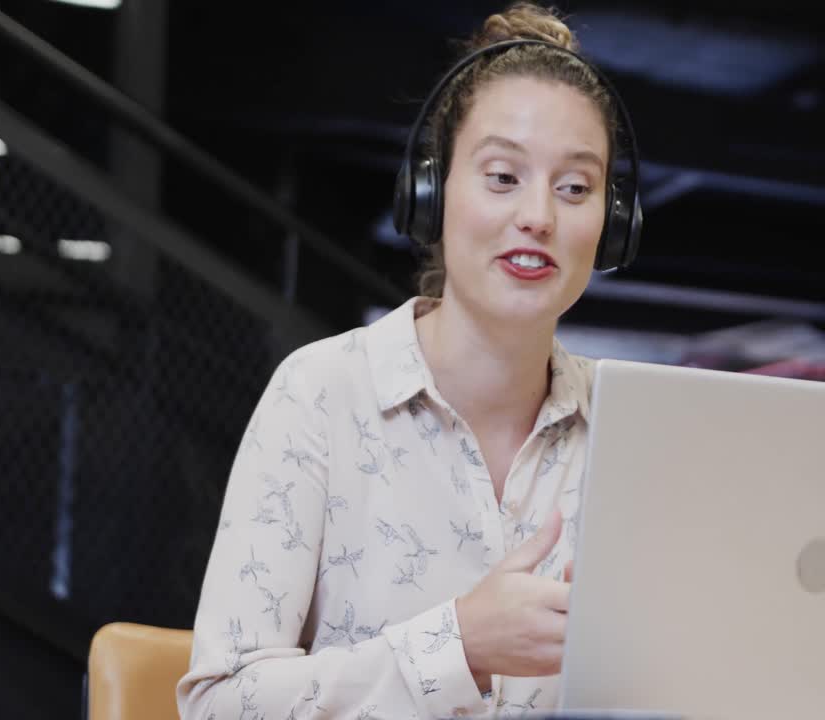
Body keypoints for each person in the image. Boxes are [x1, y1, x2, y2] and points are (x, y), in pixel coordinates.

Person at [177, 3, 638, 717]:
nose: (540, 216)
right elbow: (217, 706)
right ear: (430, 195)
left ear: (612, 228)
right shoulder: (320, 394)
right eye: (501, 176)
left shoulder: (633, 430)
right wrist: (458, 646)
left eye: (575, 187)